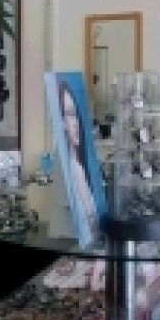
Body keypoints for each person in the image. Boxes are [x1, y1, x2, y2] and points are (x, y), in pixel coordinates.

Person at [58, 81, 99, 238]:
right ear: (62, 122)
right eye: (69, 114)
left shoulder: (85, 166)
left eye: (77, 114)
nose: (76, 123)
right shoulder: (69, 169)